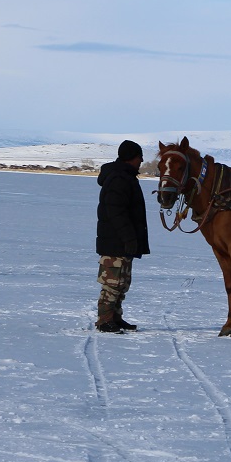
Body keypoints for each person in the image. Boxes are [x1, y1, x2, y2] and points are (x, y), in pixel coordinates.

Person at [95, 140, 150, 332]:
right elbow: (115, 212)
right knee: (112, 283)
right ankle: (104, 321)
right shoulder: (119, 178)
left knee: (122, 283)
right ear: (131, 158)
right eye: (139, 157)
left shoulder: (125, 177)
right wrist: (128, 237)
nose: (141, 161)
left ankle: (115, 318)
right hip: (115, 241)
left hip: (122, 240)